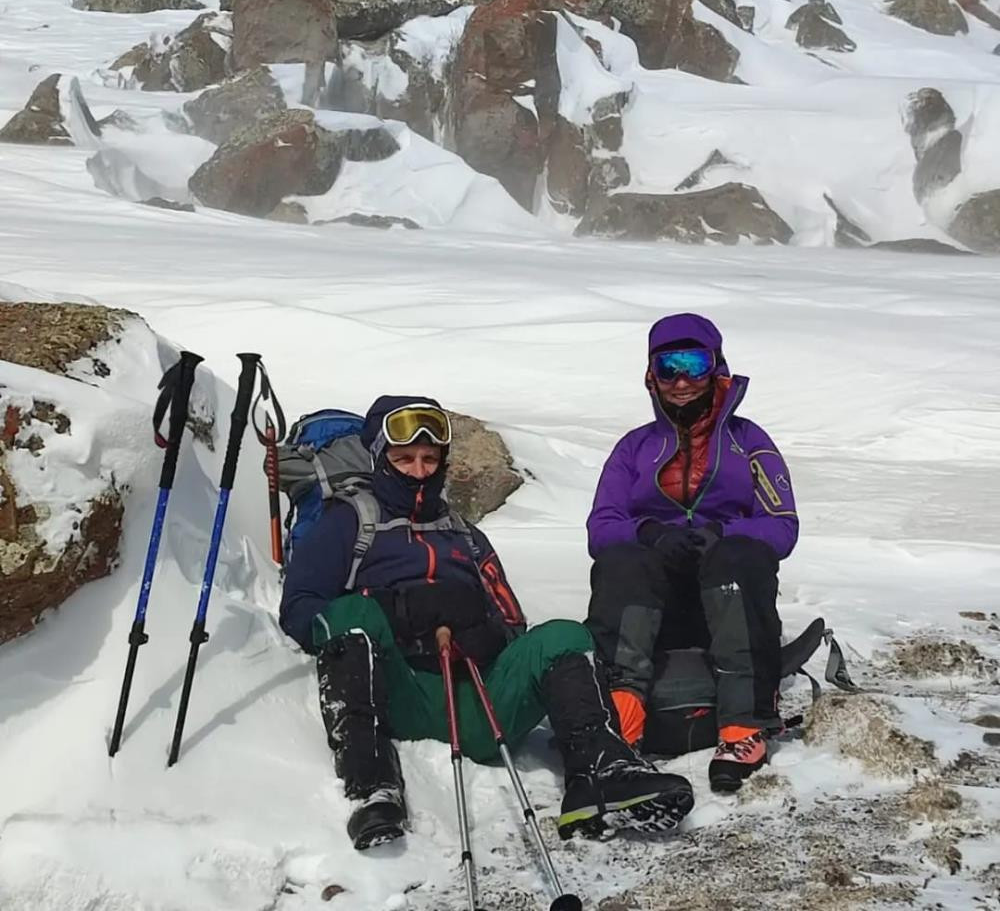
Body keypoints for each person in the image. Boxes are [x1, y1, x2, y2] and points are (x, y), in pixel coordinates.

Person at [279, 395, 694, 850]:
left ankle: (601, 772)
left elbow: (512, 621)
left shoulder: (463, 533)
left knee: (563, 636)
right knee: (351, 615)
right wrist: (391, 613)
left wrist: (487, 633)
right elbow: (301, 609)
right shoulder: (351, 520)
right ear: (381, 458)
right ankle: (372, 785)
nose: (418, 470)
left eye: (429, 458)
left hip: (477, 699)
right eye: (404, 458)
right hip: (400, 693)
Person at [585, 313, 798, 792]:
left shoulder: (750, 443)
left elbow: (781, 525)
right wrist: (650, 534)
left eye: (694, 364)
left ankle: (744, 725)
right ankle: (624, 717)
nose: (680, 380)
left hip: (727, 600)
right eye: (668, 367)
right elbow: (602, 527)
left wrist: (721, 535)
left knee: (740, 556)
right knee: (623, 560)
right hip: (652, 609)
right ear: (651, 376)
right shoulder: (633, 448)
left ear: (716, 369)